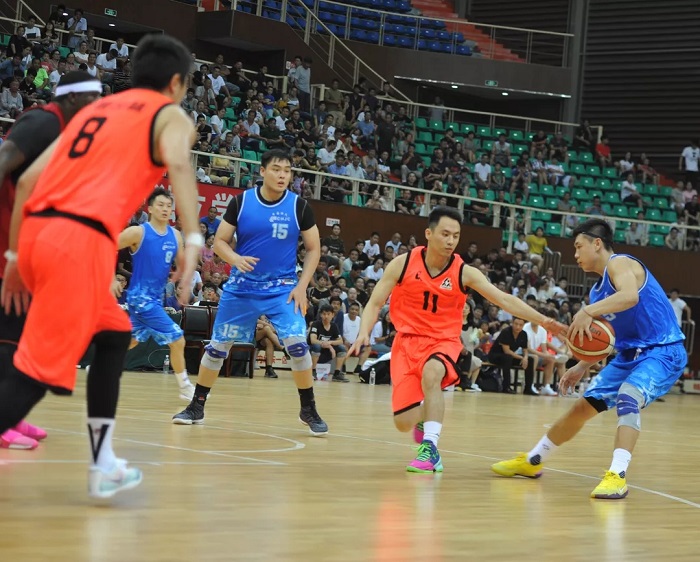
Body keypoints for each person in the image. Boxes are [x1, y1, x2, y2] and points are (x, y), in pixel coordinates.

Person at [0, 35, 202, 500]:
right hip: (78, 241)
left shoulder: (95, 110)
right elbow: (178, 163)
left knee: (113, 333)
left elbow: (27, 182)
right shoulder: (168, 113)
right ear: (176, 83)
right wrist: (192, 239)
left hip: (37, 234)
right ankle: (101, 464)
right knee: (33, 375)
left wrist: (14, 256)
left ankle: (103, 463)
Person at [349, 207, 565, 473]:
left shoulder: (463, 272)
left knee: (432, 374)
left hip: (443, 341)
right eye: (445, 234)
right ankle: (425, 416)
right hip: (406, 343)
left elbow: (504, 299)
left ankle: (430, 449)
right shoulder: (402, 264)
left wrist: (544, 320)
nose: (451, 241)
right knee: (402, 423)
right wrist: (364, 331)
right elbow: (375, 302)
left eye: (456, 235)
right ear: (429, 234)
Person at [492, 218, 687, 500]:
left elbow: (630, 296)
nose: (575, 254)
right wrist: (581, 366)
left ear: (597, 243)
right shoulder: (597, 293)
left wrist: (586, 312)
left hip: (664, 350)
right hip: (628, 355)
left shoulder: (620, 263)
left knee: (628, 396)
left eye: (578, 246)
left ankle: (617, 476)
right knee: (581, 408)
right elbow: (611, 340)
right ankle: (533, 460)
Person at [172, 149, 328, 436]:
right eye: (277, 169)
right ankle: (196, 406)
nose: (282, 175)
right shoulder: (241, 202)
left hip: (282, 289)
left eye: (287, 171)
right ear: (263, 171)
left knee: (297, 345)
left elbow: (314, 248)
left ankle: (308, 408)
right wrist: (235, 259)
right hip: (241, 289)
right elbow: (219, 241)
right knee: (218, 348)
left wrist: (302, 285)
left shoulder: (299, 206)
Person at [0, 72, 99, 450]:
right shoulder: (44, 121)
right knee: (8, 337)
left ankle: (11, 414)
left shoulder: (68, 134)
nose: (97, 106)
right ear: (72, 98)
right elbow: (3, 160)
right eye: (92, 98)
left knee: (20, 337)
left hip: (26, 251)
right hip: (6, 249)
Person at [117, 188, 195, 401]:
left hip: (156, 299)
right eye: (160, 205)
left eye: (169, 206)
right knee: (178, 340)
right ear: (150, 208)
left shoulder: (175, 235)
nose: (165, 209)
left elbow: (181, 263)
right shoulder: (138, 232)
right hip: (140, 299)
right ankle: (185, 387)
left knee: (132, 341)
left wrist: (183, 277)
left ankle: (101, 365)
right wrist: (111, 278)